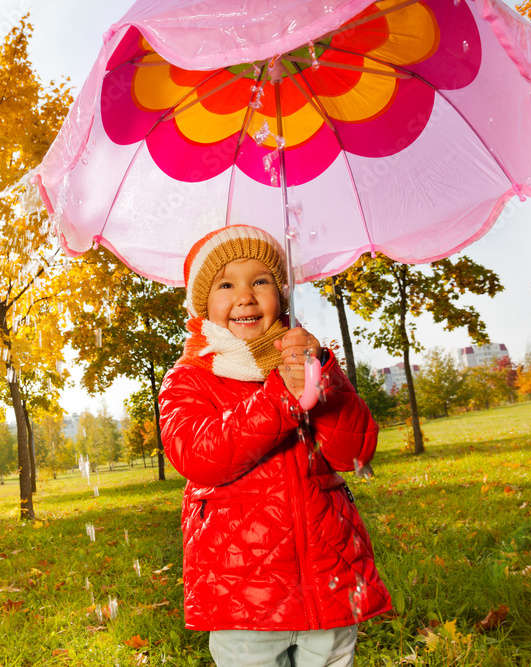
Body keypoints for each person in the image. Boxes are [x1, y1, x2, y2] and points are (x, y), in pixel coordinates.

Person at [158, 225, 391, 667]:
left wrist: (324, 381)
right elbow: (201, 455)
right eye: (226, 284)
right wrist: (281, 398)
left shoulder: (306, 362)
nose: (245, 296)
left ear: (283, 296)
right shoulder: (189, 378)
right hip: (243, 588)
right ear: (202, 304)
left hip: (328, 572)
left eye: (261, 281)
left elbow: (354, 452)